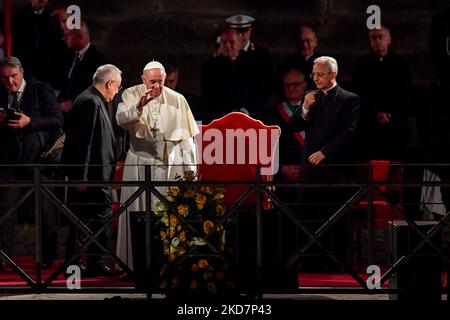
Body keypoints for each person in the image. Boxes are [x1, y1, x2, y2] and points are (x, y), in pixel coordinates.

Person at [115, 61, 199, 270]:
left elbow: (187, 140)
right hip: (139, 163)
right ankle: (135, 265)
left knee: (168, 216)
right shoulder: (130, 95)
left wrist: (191, 172)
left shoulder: (178, 100)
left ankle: (169, 264)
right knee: (138, 213)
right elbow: (121, 120)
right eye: (153, 82)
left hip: (169, 166)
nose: (158, 87)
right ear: (143, 80)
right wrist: (139, 106)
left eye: (161, 82)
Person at [289, 56, 361, 272]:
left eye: (320, 74)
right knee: (306, 216)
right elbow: (294, 125)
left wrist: (326, 152)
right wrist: (304, 109)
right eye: (314, 75)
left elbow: (350, 131)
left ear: (333, 74)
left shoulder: (350, 99)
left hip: (335, 169)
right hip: (310, 170)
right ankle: (308, 262)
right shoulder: (311, 97)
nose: (316, 78)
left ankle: (335, 264)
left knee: (333, 217)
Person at [0, 56, 63, 269]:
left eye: (14, 77)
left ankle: (46, 259)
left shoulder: (40, 89)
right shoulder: (2, 93)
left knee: (45, 210)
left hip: (38, 160)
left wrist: (30, 122)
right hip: (9, 162)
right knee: (5, 211)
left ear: (22, 73)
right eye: (5, 78)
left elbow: (57, 120)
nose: (10, 83)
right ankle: (4, 257)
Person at [61, 64, 122, 276]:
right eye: (118, 87)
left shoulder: (91, 99)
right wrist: (81, 177)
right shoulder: (90, 101)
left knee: (82, 220)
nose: (117, 92)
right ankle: (94, 264)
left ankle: (79, 265)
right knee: (96, 218)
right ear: (110, 83)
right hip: (91, 177)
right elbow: (83, 143)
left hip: (92, 175)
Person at [353, 26, 413, 161]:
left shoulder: (401, 65)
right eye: (374, 38)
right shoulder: (362, 66)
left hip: (396, 125)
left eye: (381, 37)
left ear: (389, 39)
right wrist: (376, 113)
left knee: (396, 165)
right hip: (370, 126)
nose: (378, 41)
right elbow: (359, 94)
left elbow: (406, 94)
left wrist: (391, 114)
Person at [58, 21, 106, 117]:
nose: (65, 39)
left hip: (86, 114)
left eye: (68, 35)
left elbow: (97, 90)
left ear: (79, 36)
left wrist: (75, 103)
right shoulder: (69, 56)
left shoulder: (98, 61)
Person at [278, 24, 322, 91]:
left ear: (315, 42)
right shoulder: (285, 65)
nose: (304, 45)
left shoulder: (325, 64)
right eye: (301, 41)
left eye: (308, 41)